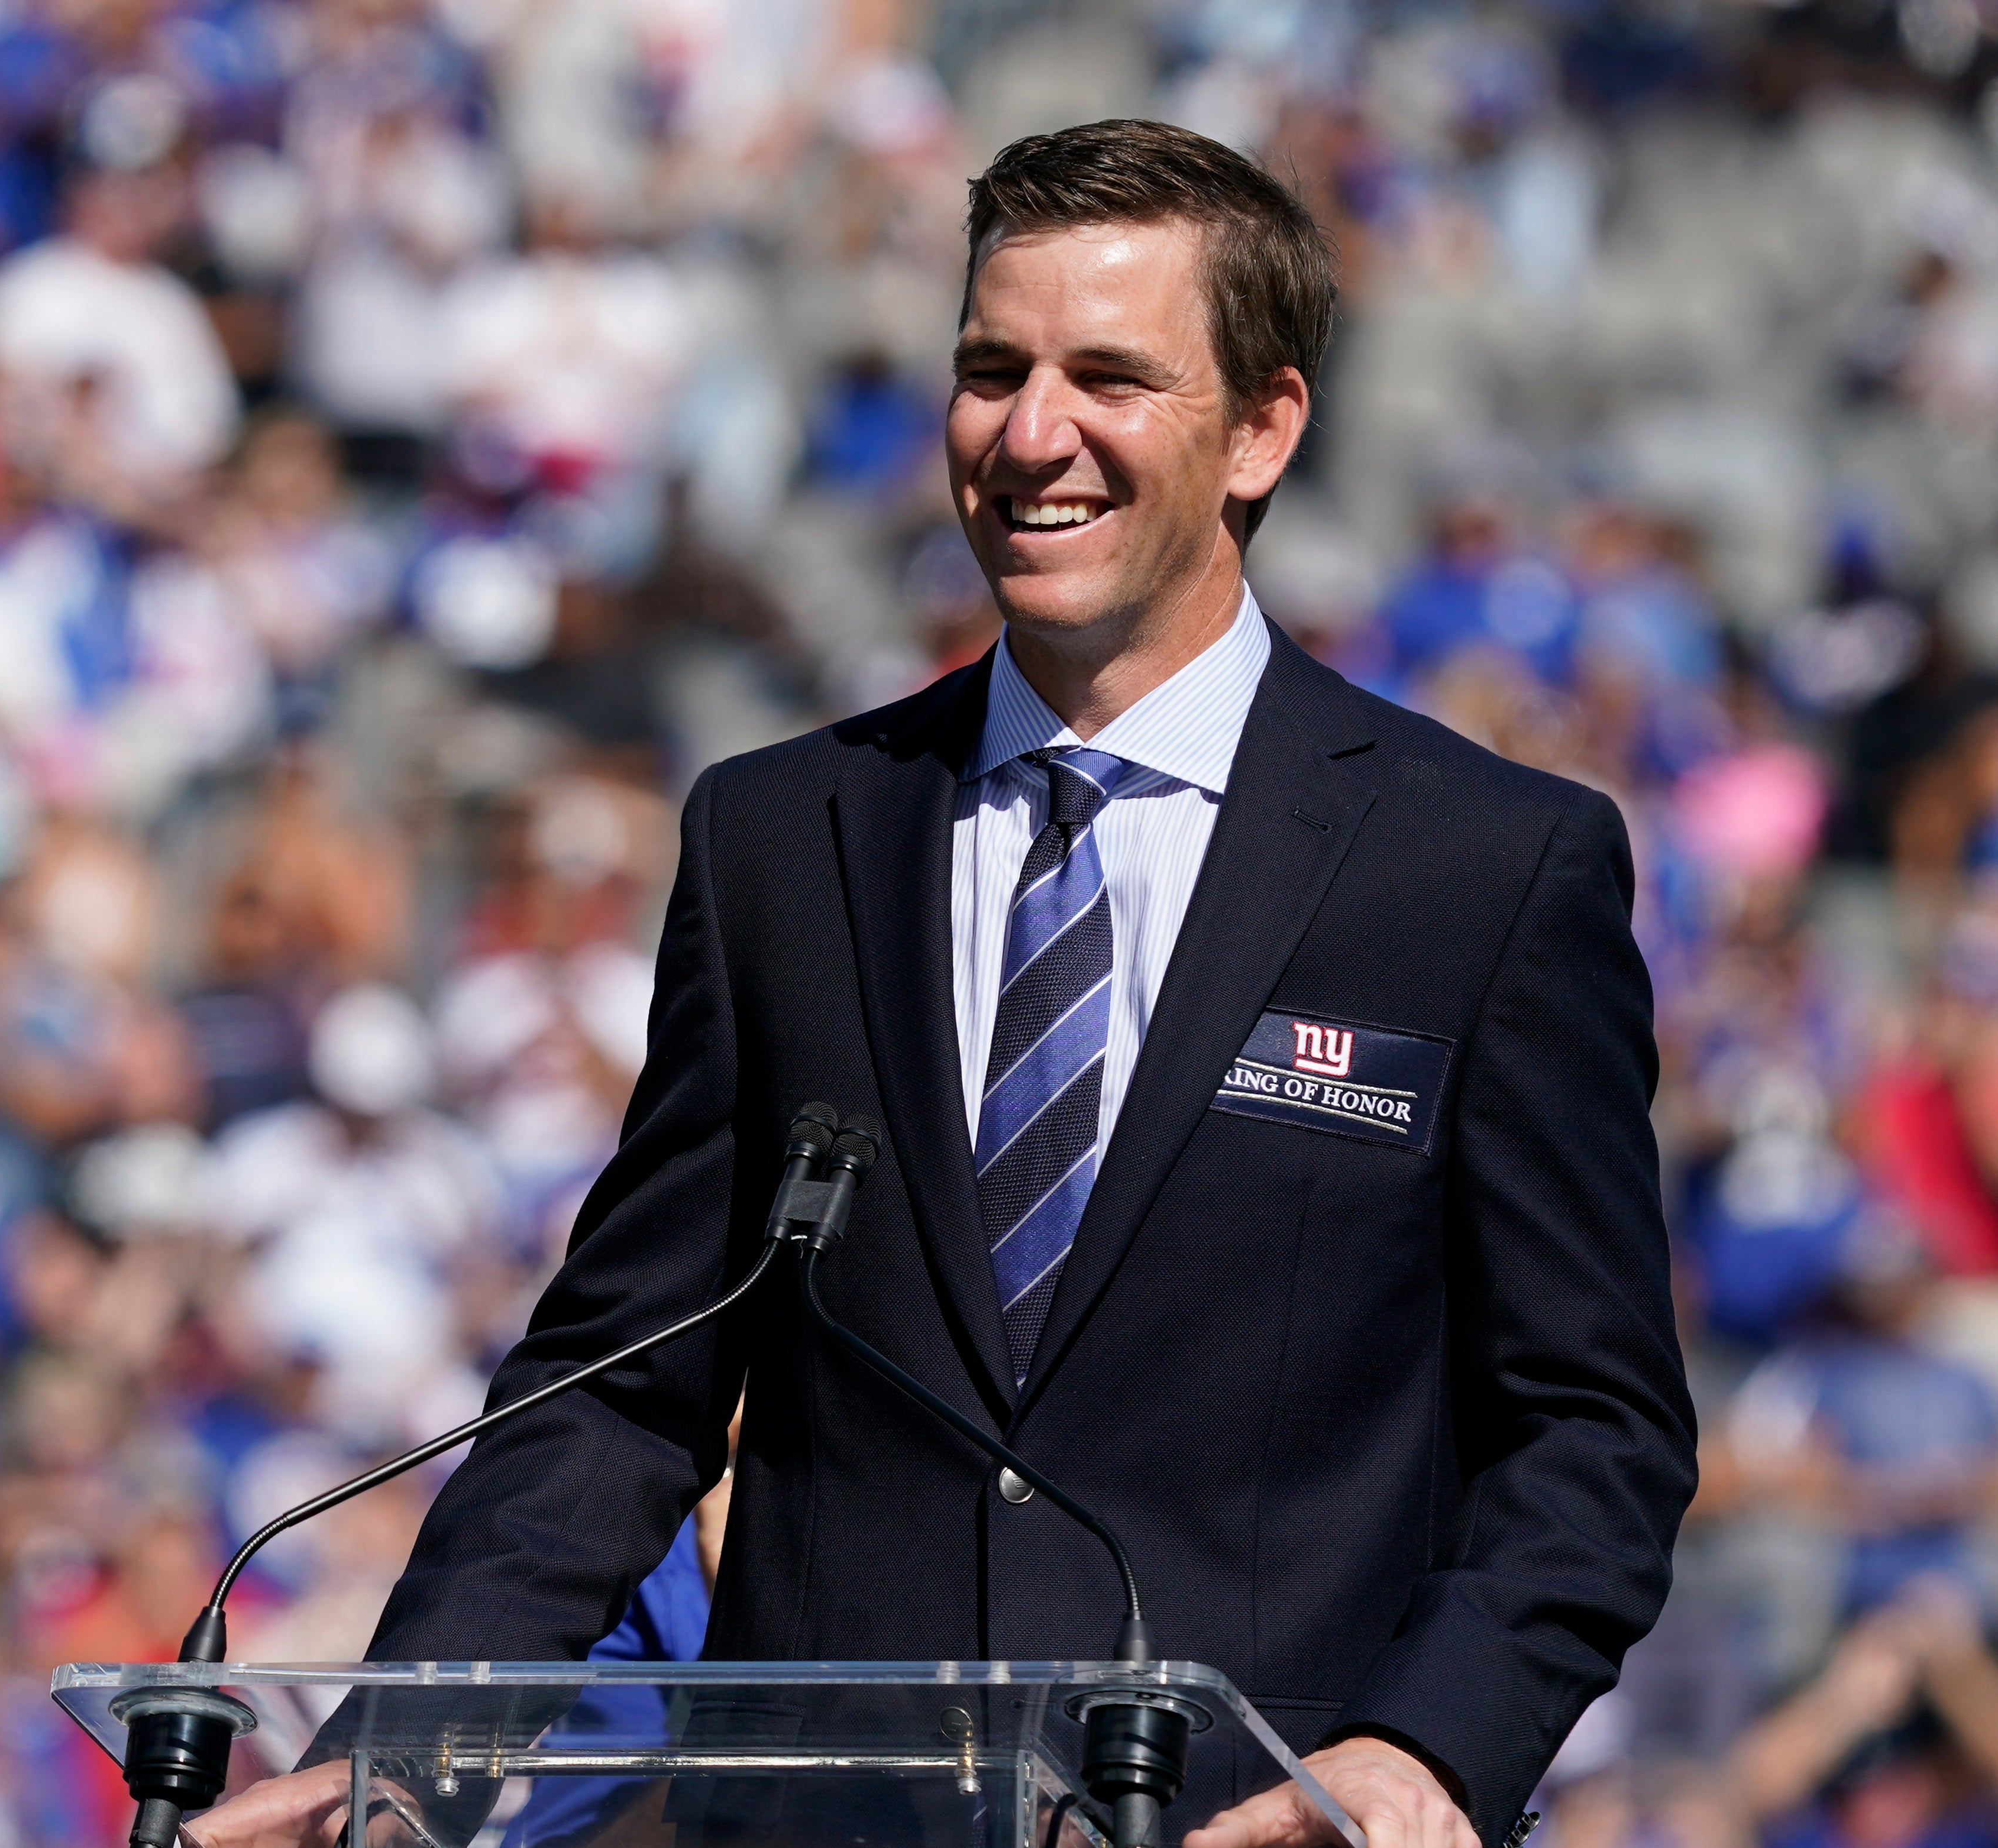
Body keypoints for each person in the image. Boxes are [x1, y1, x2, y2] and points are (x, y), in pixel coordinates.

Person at [193, 120, 1697, 1848]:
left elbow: (1595, 1430)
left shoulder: (1480, 866)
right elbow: (621, 1376)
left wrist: (1424, 1752)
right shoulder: (783, 836)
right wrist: (409, 1751)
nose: (1031, 435)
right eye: (994, 369)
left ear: (1263, 428)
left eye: (1110, 378)